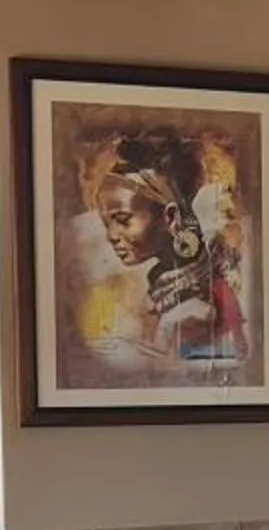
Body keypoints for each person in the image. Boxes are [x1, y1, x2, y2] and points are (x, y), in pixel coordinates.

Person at [80, 128, 249, 368]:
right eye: (106, 223)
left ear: (169, 217)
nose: (111, 236)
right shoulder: (167, 290)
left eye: (123, 219)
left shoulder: (191, 313)